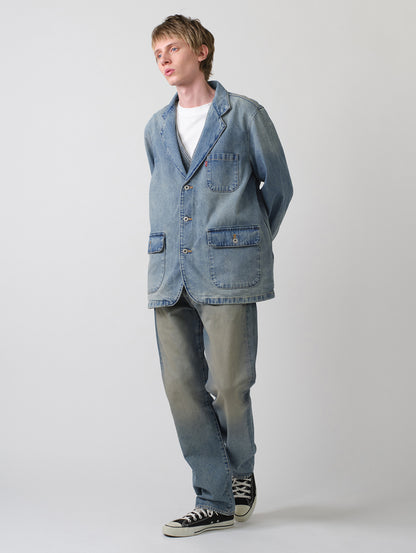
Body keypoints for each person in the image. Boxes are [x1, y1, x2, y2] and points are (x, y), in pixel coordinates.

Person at [144, 14, 293, 538]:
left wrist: (245, 244)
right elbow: (168, 192)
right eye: (156, 53)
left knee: (229, 385)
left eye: (172, 49)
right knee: (181, 388)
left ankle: (239, 472)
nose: (163, 60)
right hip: (169, 273)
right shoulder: (155, 128)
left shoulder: (245, 115)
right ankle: (214, 496)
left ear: (201, 51)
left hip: (228, 273)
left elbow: (279, 188)